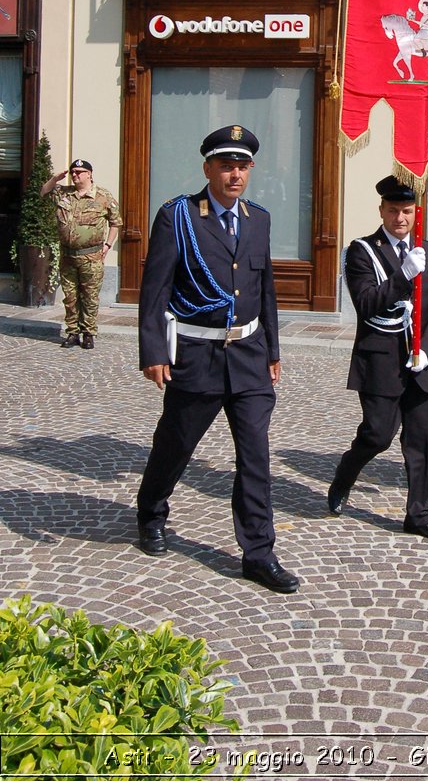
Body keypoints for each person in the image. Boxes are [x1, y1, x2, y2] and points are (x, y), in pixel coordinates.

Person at [136, 125, 299, 594]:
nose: (235, 175)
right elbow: (156, 288)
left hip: (248, 356)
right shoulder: (179, 216)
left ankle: (259, 553)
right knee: (176, 443)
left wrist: (272, 349)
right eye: (226, 165)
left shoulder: (258, 219)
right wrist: (152, 351)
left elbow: (264, 288)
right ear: (207, 168)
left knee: (255, 457)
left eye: (243, 166)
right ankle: (151, 511)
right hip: (197, 354)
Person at [328, 176, 428, 542]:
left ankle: (420, 513)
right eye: (394, 210)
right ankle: (345, 473)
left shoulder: (427, 250)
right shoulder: (361, 251)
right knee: (378, 435)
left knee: (422, 440)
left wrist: (426, 352)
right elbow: (366, 305)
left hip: (419, 362)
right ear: (382, 211)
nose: (401, 218)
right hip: (380, 359)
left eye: (407, 211)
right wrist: (403, 276)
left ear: (416, 213)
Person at [41, 159, 123, 349]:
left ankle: (88, 333)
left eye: (79, 172)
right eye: (73, 172)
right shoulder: (64, 193)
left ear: (89, 174)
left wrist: (107, 245)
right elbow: (44, 192)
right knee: (70, 297)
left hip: (91, 256)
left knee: (90, 296)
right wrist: (55, 178)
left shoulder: (102, 196)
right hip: (68, 255)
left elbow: (116, 222)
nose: (75, 175)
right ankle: (72, 332)